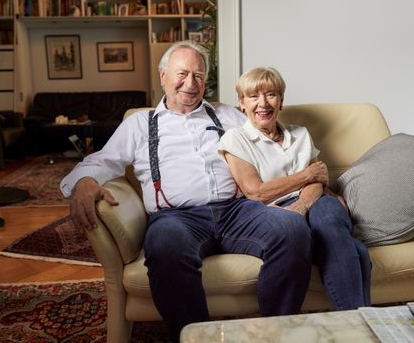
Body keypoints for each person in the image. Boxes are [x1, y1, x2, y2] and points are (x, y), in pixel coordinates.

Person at [60, 42, 318, 342]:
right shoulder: (140, 125)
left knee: (292, 228)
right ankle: (197, 337)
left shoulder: (229, 116)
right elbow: (101, 161)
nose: (191, 83)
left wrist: (311, 181)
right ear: (163, 76)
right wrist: (85, 182)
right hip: (177, 218)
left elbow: (277, 140)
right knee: (165, 245)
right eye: (182, 74)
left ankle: (275, 333)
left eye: (198, 75)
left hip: (237, 211)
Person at [218, 67, 372, 311]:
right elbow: (256, 192)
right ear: (241, 103)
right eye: (253, 96)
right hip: (274, 210)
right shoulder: (234, 139)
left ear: (281, 100)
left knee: (329, 225)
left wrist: (302, 203)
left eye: (271, 94)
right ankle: (362, 321)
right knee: (357, 250)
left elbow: (318, 181)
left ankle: (356, 324)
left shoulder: (300, 134)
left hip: (316, 200)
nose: (263, 104)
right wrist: (307, 174)